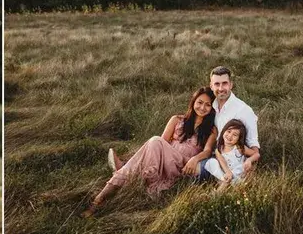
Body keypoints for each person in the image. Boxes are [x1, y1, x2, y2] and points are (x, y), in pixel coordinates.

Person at [86, 87, 217, 214]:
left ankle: (135, 172)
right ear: (193, 102)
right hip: (164, 160)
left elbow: (207, 151)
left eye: (207, 105)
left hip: (182, 164)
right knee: (155, 143)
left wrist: (195, 159)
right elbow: (163, 142)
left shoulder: (211, 130)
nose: (202, 107)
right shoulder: (177, 119)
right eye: (199, 102)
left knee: (154, 141)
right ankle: (100, 197)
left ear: (212, 109)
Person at [196, 67, 260, 182]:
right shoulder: (210, 106)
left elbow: (253, 143)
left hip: (235, 162)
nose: (221, 88)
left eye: (224, 83)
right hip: (216, 156)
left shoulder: (244, 110)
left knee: (196, 171)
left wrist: (250, 164)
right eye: (217, 84)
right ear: (211, 86)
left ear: (231, 85)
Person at [198, 119, 259, 188]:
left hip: (237, 175)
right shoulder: (218, 149)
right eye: (229, 131)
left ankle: (219, 191)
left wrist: (249, 160)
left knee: (241, 167)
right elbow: (222, 161)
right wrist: (227, 172)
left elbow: (256, 154)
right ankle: (226, 181)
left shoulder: (239, 148)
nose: (230, 136)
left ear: (239, 138)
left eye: (235, 135)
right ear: (224, 131)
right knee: (211, 162)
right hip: (225, 174)